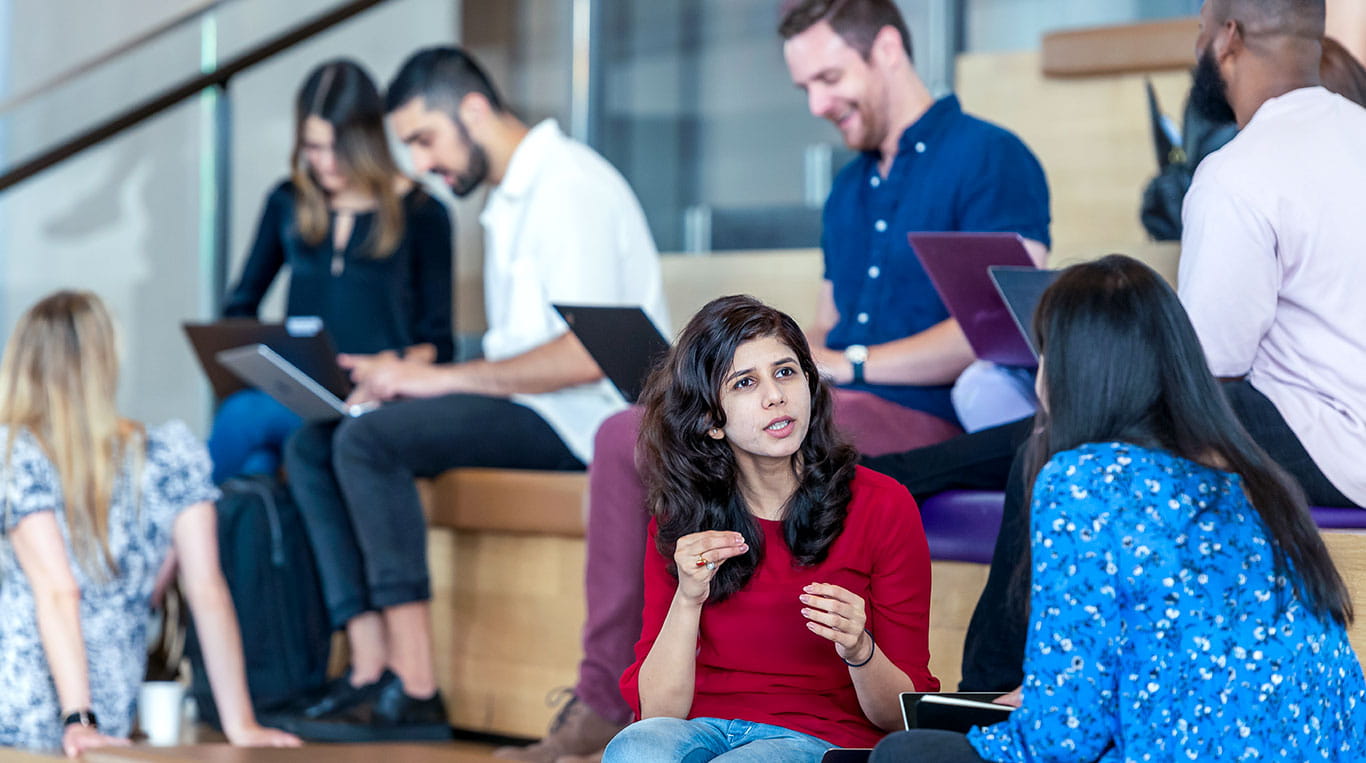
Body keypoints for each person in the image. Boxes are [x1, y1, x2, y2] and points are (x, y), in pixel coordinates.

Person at [496, 3, 1050, 759]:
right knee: (633, 427)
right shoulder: (850, 187)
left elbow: (999, 331)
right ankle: (616, 691)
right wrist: (727, 370)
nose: (819, 104)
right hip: (842, 389)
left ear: (888, 48)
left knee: (637, 429)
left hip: (920, 412)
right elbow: (825, 321)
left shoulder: (993, 157)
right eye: (805, 88)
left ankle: (611, 695)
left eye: (829, 77)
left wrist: (839, 367)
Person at [865, 0, 1366, 693]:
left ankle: (984, 694)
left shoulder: (1239, 173)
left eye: (1198, 31)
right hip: (1336, 436)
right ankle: (898, 472)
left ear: (1228, 40)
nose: (1197, 46)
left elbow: (1199, 373)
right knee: (1082, 406)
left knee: (1063, 436)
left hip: (1330, 445)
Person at [274, 46, 667, 741]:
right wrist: (402, 374)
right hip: (529, 405)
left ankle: (416, 685)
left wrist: (438, 379)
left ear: (475, 111)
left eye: (425, 140)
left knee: (368, 442)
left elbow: (585, 355)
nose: (420, 163)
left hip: (587, 419)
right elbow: (516, 349)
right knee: (316, 440)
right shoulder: (510, 199)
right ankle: (370, 667)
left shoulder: (568, 186)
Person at [869, 254, 1366, 762]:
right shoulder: (1256, 478)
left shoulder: (1080, 481)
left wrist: (1013, 721)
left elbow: (1060, 743)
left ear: (1068, 372)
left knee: (907, 751)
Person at [597, 295, 936, 763]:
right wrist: (689, 596)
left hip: (819, 737)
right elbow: (657, 711)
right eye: (744, 383)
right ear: (711, 420)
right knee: (636, 748)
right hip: (703, 728)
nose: (775, 395)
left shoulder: (883, 505)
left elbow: (900, 715)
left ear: (809, 383)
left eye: (785, 372)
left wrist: (859, 648)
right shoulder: (683, 518)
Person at [0, 291, 300, 757]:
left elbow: (59, 591)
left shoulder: (14, 451)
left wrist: (78, 719)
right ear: (106, 359)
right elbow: (207, 592)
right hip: (110, 708)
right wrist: (241, 723)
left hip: (25, 706)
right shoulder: (168, 454)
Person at [211, 58, 454, 485]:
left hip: (377, 396)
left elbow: (439, 343)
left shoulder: (423, 214)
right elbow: (240, 305)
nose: (324, 163)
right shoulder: (287, 202)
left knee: (244, 420)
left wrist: (385, 364)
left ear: (367, 141)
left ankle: (173, 535)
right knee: (255, 466)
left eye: (337, 148)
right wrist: (270, 355)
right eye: (312, 147)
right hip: (302, 391)